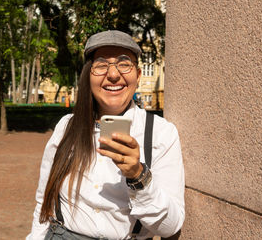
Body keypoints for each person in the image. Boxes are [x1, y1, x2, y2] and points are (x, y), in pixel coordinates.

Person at [27, 30, 185, 239]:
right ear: (88, 76)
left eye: (124, 63)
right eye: (101, 64)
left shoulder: (161, 133)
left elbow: (171, 227)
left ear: (137, 75)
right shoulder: (66, 127)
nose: (112, 74)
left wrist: (138, 176)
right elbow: (43, 205)